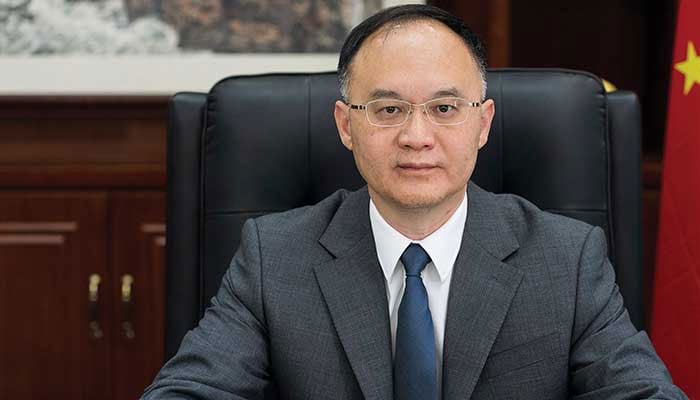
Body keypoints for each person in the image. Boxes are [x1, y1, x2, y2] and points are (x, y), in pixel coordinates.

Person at [143, 4, 687, 400]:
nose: (416, 137)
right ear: (346, 126)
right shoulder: (274, 257)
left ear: (483, 123)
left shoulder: (567, 259)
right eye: (388, 110)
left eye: (445, 109)